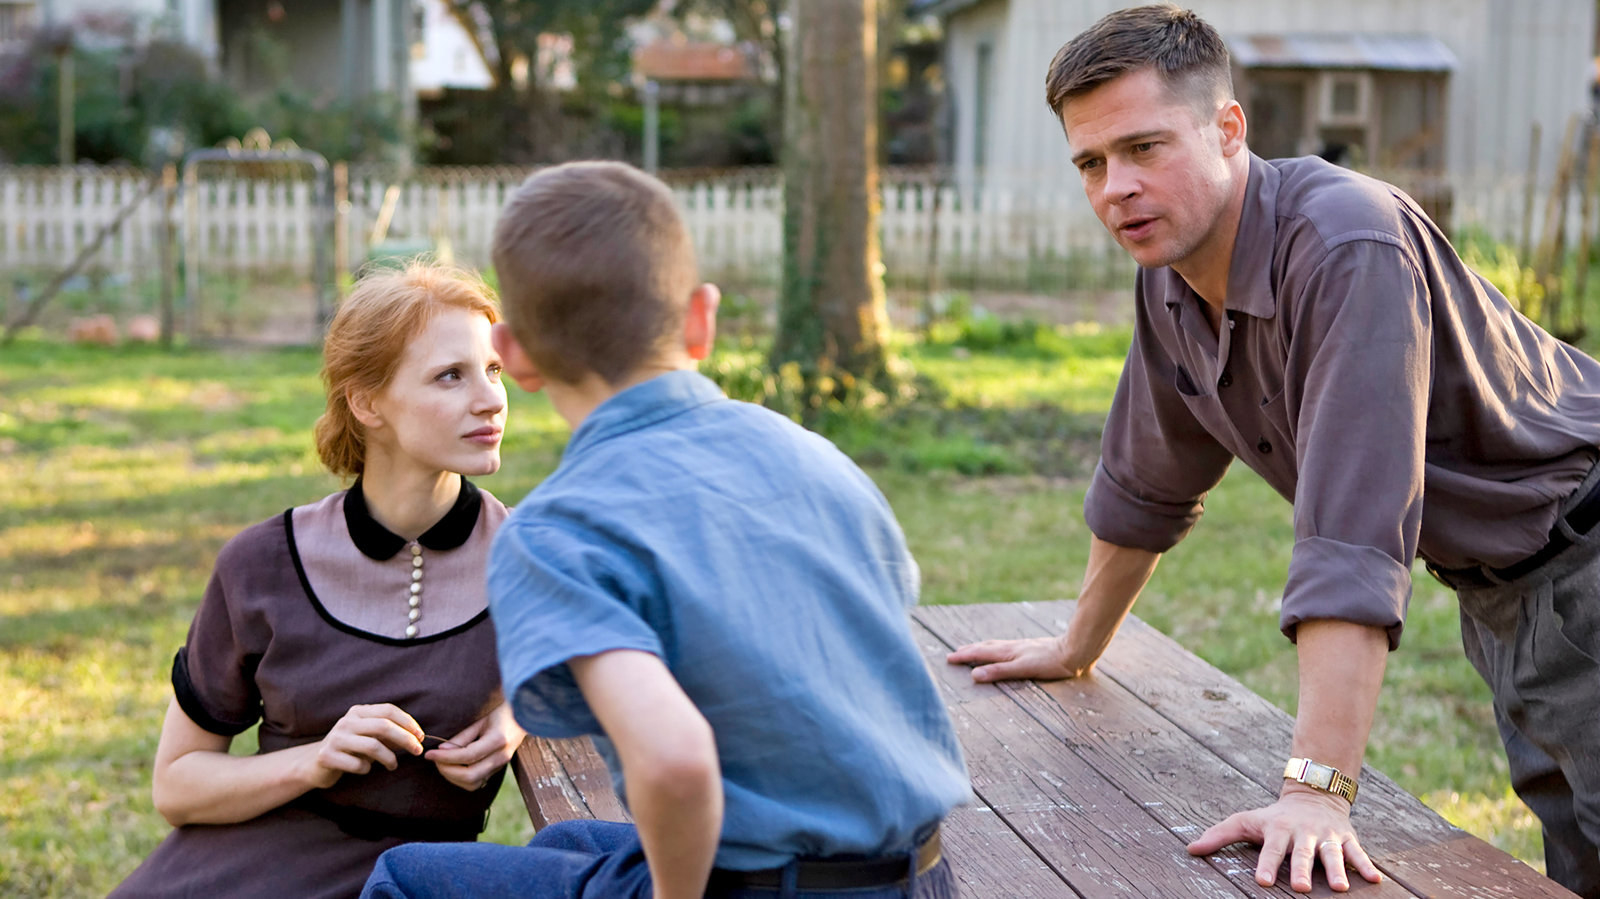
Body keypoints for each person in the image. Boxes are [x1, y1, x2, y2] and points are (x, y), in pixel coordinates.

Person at [946, 5, 1600, 897]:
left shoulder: (1344, 246)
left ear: (1227, 129)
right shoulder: (1173, 278)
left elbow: (1352, 535)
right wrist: (1078, 642)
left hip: (1584, 559)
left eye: (1144, 148)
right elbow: (1146, 483)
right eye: (1091, 163)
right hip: (1508, 589)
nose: (1115, 188)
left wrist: (1318, 793)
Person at [359, 161, 971, 899]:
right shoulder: (819, 459)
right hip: (921, 873)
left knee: (406, 878)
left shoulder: (561, 532)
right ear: (701, 318)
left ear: (512, 355)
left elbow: (675, 762)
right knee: (571, 841)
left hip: (765, 885)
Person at [111, 264, 526, 899]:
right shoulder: (260, 566)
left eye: (493, 370)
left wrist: (520, 715)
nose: (492, 398)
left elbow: (633, 670)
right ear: (367, 402)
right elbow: (178, 786)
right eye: (451, 375)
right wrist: (317, 759)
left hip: (412, 882)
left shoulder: (535, 558)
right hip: (235, 870)